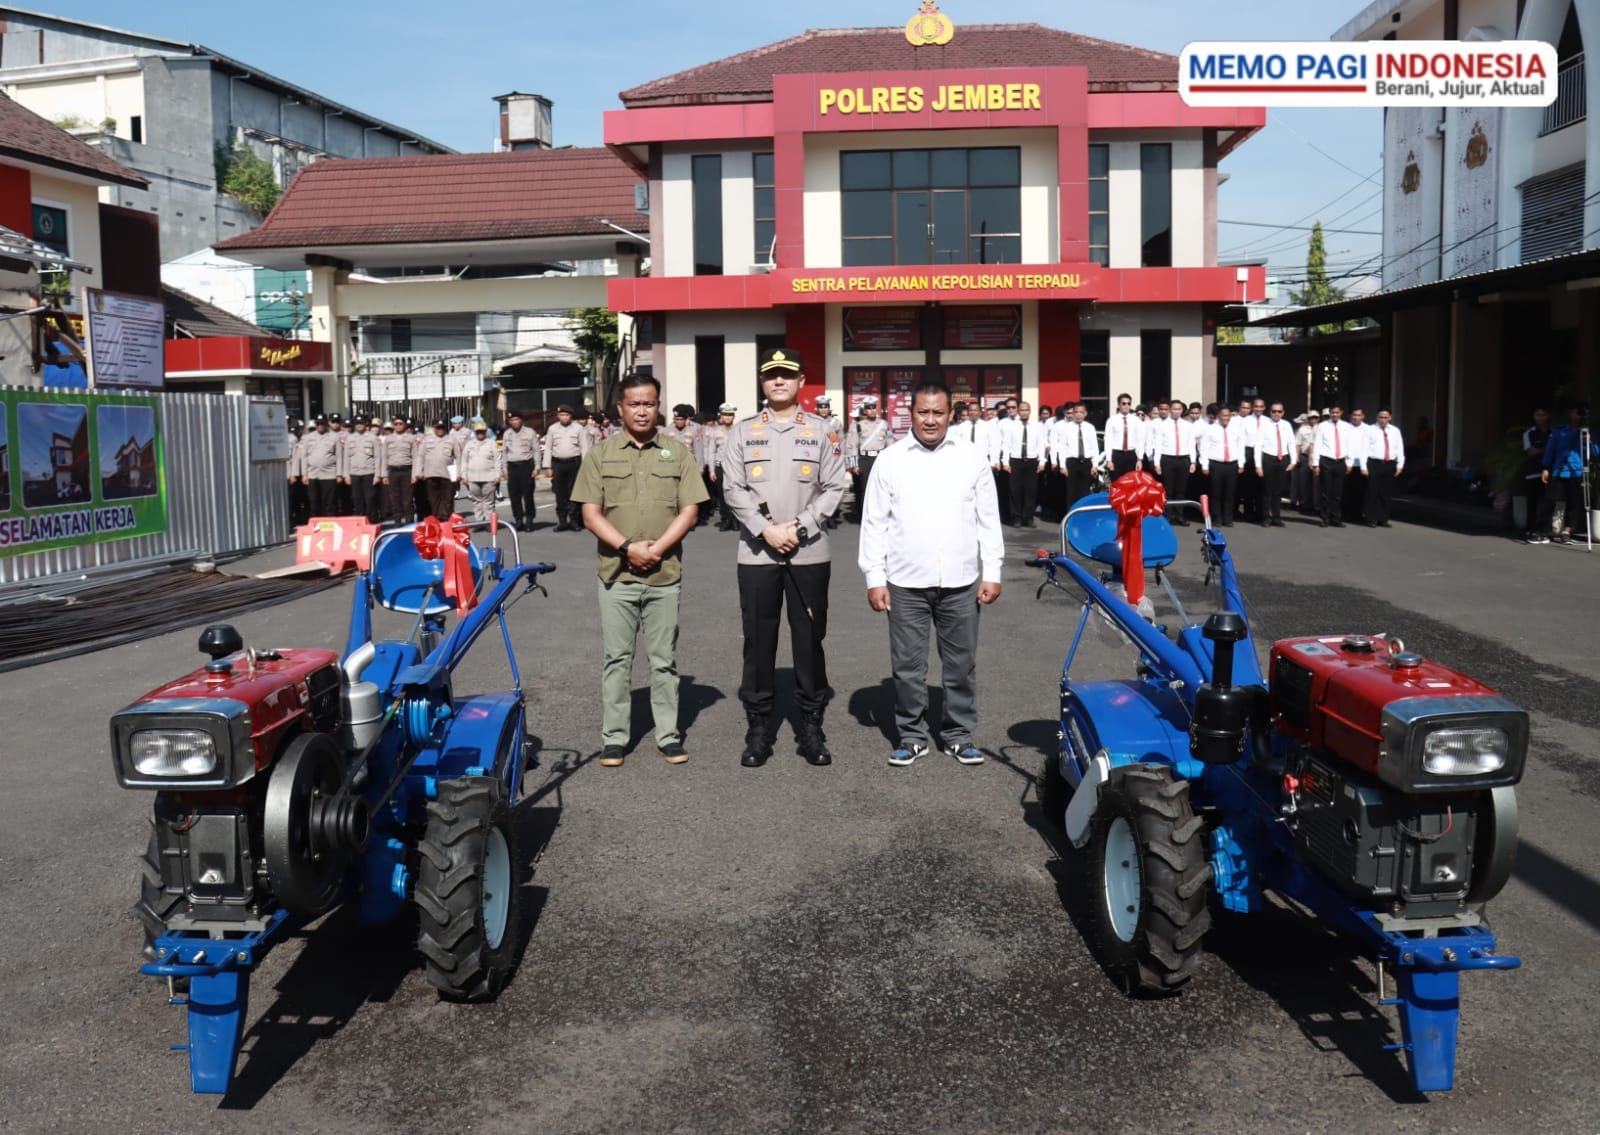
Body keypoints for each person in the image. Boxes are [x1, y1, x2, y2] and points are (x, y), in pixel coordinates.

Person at [860, 381, 1004, 767]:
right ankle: (912, 734)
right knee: (908, 666)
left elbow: (988, 519)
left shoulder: (971, 458)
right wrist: (874, 576)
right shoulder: (890, 460)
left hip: (961, 581)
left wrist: (992, 570)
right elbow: (873, 522)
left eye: (938, 412)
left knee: (961, 664)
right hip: (905, 582)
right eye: (923, 412)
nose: (930, 420)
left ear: (950, 415)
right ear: (911, 413)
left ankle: (958, 733)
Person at [720, 348, 849, 768]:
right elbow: (732, 488)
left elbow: (834, 486)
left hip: (809, 552)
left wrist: (800, 527)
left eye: (786, 375)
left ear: (801, 382)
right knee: (758, 642)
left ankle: (811, 725)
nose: (778, 382)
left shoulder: (822, 431)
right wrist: (766, 529)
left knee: (809, 640)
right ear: (762, 382)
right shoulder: (742, 432)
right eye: (771, 376)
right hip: (757, 553)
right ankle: (759, 727)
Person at [571, 374, 708, 766]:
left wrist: (658, 549)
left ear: (658, 405)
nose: (643, 410)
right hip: (616, 574)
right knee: (617, 658)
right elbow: (589, 513)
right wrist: (628, 548)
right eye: (635, 404)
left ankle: (668, 735)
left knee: (663, 659)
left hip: (664, 575)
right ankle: (614, 738)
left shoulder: (678, 453)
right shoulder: (601, 454)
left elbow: (690, 510)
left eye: (649, 403)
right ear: (621, 409)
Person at [1533, 403, 1599, 545]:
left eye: (1581, 413)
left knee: (1574, 503)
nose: (1578, 415)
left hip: (1578, 471)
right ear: (1570, 413)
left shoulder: (1588, 432)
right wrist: (1545, 468)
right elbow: (1551, 450)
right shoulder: (1559, 431)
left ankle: (1567, 532)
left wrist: (1589, 441)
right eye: (1576, 412)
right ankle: (1543, 531)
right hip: (1560, 470)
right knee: (1549, 500)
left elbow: (1595, 453)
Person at [844, 396, 894, 523]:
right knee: (865, 489)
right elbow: (852, 446)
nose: (871, 410)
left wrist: (891, 462)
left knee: (882, 488)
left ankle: (881, 516)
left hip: (879, 458)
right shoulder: (858, 426)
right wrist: (853, 465)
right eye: (868, 408)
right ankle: (865, 517)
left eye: (873, 407)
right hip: (864, 459)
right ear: (865, 411)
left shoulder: (884, 424)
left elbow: (890, 443)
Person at [1147, 398, 1195, 526]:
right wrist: (1156, 463)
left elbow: (1191, 445)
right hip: (1167, 458)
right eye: (1174, 409)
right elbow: (1158, 445)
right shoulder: (1162, 425)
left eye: (1179, 409)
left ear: (1182, 410)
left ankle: (1179, 515)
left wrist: (1193, 461)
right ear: (1170, 410)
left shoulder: (1187, 426)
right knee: (1168, 489)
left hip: (1183, 459)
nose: (1176, 411)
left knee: (1181, 489)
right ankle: (1168, 515)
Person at [999, 399, 1046, 527]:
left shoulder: (1038, 426)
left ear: (1030, 411)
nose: (1024, 413)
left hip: (1031, 461)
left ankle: (1028, 518)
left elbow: (1041, 445)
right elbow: (1006, 444)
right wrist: (1005, 462)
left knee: (1030, 491)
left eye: (1026, 410)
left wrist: (1042, 462)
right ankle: (1016, 518)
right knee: (1015, 491)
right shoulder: (1011, 426)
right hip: (1016, 461)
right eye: (1022, 410)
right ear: (1018, 411)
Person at [543, 405, 591, 531]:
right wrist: (547, 466)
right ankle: (562, 521)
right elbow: (548, 448)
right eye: (562, 415)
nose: (564, 417)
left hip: (574, 463)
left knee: (574, 493)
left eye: (567, 415)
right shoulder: (552, 429)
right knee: (560, 493)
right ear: (558, 416)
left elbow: (584, 447)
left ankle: (574, 521)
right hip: (558, 464)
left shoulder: (578, 428)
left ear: (571, 416)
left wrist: (585, 466)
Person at [1197, 405, 1246, 526]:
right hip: (1216, 464)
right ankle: (1216, 518)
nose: (1226, 418)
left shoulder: (1236, 429)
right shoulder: (1210, 429)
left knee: (1230, 493)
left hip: (1232, 464)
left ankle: (1228, 519)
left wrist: (1241, 463)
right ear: (1218, 416)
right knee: (1216, 493)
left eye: (1228, 416)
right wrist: (1204, 466)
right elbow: (1204, 448)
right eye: (1223, 415)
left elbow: (1240, 447)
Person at [1312, 404, 1358, 528]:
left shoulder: (1347, 427)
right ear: (1330, 413)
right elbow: (1317, 445)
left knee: (1338, 493)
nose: (1335, 415)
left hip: (1341, 462)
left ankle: (1336, 518)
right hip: (1326, 461)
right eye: (1332, 412)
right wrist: (1316, 464)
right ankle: (1325, 518)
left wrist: (1349, 463)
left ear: (1341, 413)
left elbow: (1350, 445)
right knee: (1325, 492)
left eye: (1337, 412)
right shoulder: (1322, 426)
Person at [1360, 408, 1404, 528]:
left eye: (1385, 417)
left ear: (1390, 417)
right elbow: (1364, 449)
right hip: (1374, 463)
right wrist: (1363, 466)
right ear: (1376, 417)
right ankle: (1371, 518)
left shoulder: (1395, 431)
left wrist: (1400, 465)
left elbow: (1399, 448)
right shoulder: (1370, 430)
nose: (1383, 420)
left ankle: (1383, 518)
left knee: (1385, 492)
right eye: (1380, 417)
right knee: (1372, 491)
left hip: (1389, 463)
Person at [1255, 402, 1296, 528]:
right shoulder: (1264, 425)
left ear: (1283, 412)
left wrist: (1293, 461)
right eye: (1274, 411)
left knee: (1278, 491)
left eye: (1279, 411)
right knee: (1267, 491)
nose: (1276, 413)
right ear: (1270, 412)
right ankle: (1266, 518)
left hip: (1282, 458)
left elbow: (1291, 443)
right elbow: (1258, 446)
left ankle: (1277, 517)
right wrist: (1258, 465)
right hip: (1268, 458)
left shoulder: (1286, 425)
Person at [699, 402, 737, 530]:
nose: (727, 417)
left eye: (730, 414)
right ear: (721, 416)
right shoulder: (715, 432)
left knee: (735, 493)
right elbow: (711, 451)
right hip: (720, 466)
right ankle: (725, 519)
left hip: (735, 467)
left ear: (734, 416)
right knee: (721, 494)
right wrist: (711, 470)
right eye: (725, 414)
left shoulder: (739, 430)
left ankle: (735, 520)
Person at [501, 409, 541, 531]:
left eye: (516, 419)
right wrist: (504, 468)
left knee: (528, 494)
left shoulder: (530, 432)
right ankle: (518, 520)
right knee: (514, 495)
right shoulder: (507, 434)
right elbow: (504, 452)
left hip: (526, 466)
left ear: (521, 420)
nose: (514, 421)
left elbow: (536, 450)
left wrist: (537, 467)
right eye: (512, 420)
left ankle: (529, 519)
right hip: (512, 467)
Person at [1057, 402, 1100, 512]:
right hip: (1072, 462)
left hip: (1086, 462)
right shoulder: (1066, 428)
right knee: (1071, 491)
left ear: (1085, 414)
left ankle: (1083, 515)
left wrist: (1095, 464)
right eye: (1076, 412)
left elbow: (1094, 447)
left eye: (1081, 412)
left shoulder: (1090, 427)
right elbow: (1061, 447)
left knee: (1084, 491)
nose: (1078, 415)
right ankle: (1070, 515)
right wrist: (1062, 465)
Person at [460, 419, 504, 523]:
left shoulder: (491, 443)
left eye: (482, 431)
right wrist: (464, 476)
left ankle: (489, 523)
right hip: (472, 478)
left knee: (489, 502)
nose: (480, 433)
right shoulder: (469, 444)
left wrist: (498, 475)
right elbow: (464, 461)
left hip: (489, 477)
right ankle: (479, 522)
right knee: (477, 501)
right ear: (475, 433)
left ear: (486, 432)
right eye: (478, 431)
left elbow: (497, 460)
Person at [342, 415, 385, 522]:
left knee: (370, 499)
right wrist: (346, 475)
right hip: (354, 474)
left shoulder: (372, 438)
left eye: (361, 423)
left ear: (365, 424)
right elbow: (346, 458)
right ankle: (359, 523)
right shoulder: (350, 438)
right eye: (357, 423)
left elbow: (378, 457)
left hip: (369, 473)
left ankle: (372, 521)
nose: (359, 425)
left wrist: (377, 475)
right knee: (357, 500)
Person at [416, 419, 459, 521]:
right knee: (433, 499)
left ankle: (446, 520)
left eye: (442, 427)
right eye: (438, 427)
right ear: (434, 428)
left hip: (447, 474)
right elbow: (420, 457)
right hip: (431, 474)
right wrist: (419, 472)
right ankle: (436, 519)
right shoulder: (426, 440)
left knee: (447, 499)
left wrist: (459, 473)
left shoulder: (451, 439)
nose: (440, 430)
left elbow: (458, 457)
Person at [299, 414, 342, 515]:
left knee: (329, 502)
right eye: (318, 424)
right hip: (313, 474)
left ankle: (330, 523)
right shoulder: (307, 437)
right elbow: (304, 456)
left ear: (326, 423)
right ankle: (316, 524)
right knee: (314, 501)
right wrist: (304, 474)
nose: (320, 426)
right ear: (315, 424)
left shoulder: (335, 437)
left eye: (322, 423)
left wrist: (339, 474)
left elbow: (339, 456)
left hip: (329, 474)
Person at [1521, 408, 1552, 541]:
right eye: (1537, 414)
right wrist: (1546, 449)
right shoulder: (1529, 433)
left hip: (1550, 472)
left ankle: (1545, 530)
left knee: (1548, 502)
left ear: (1548, 416)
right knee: (1532, 502)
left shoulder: (1554, 432)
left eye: (1543, 414)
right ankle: (1530, 529)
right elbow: (1530, 452)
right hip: (1533, 472)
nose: (1540, 417)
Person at [384, 415, 417, 525]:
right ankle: (397, 520)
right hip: (393, 471)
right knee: (394, 497)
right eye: (396, 424)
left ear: (405, 425)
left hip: (407, 470)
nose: (398, 426)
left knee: (408, 498)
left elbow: (415, 457)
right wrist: (384, 475)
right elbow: (384, 457)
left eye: (400, 424)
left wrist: (414, 474)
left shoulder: (411, 438)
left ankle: (409, 520)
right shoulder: (388, 439)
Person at [1103, 392, 1144, 479]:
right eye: (1124, 403)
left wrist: (1140, 459)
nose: (1126, 406)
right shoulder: (1112, 420)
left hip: (1131, 455)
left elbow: (1139, 440)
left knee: (1131, 483)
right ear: (1119, 405)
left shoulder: (1136, 421)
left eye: (1129, 403)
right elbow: (1108, 440)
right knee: (1116, 482)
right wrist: (1109, 460)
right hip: (1117, 455)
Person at [1292, 411, 1318, 515]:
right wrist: (1297, 458)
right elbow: (1297, 444)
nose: (1313, 419)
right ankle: (1305, 505)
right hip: (1304, 456)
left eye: (1315, 417)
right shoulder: (1302, 429)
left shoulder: (1321, 428)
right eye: (1311, 417)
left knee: (1317, 484)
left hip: (1317, 458)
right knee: (1305, 483)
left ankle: (1316, 505)